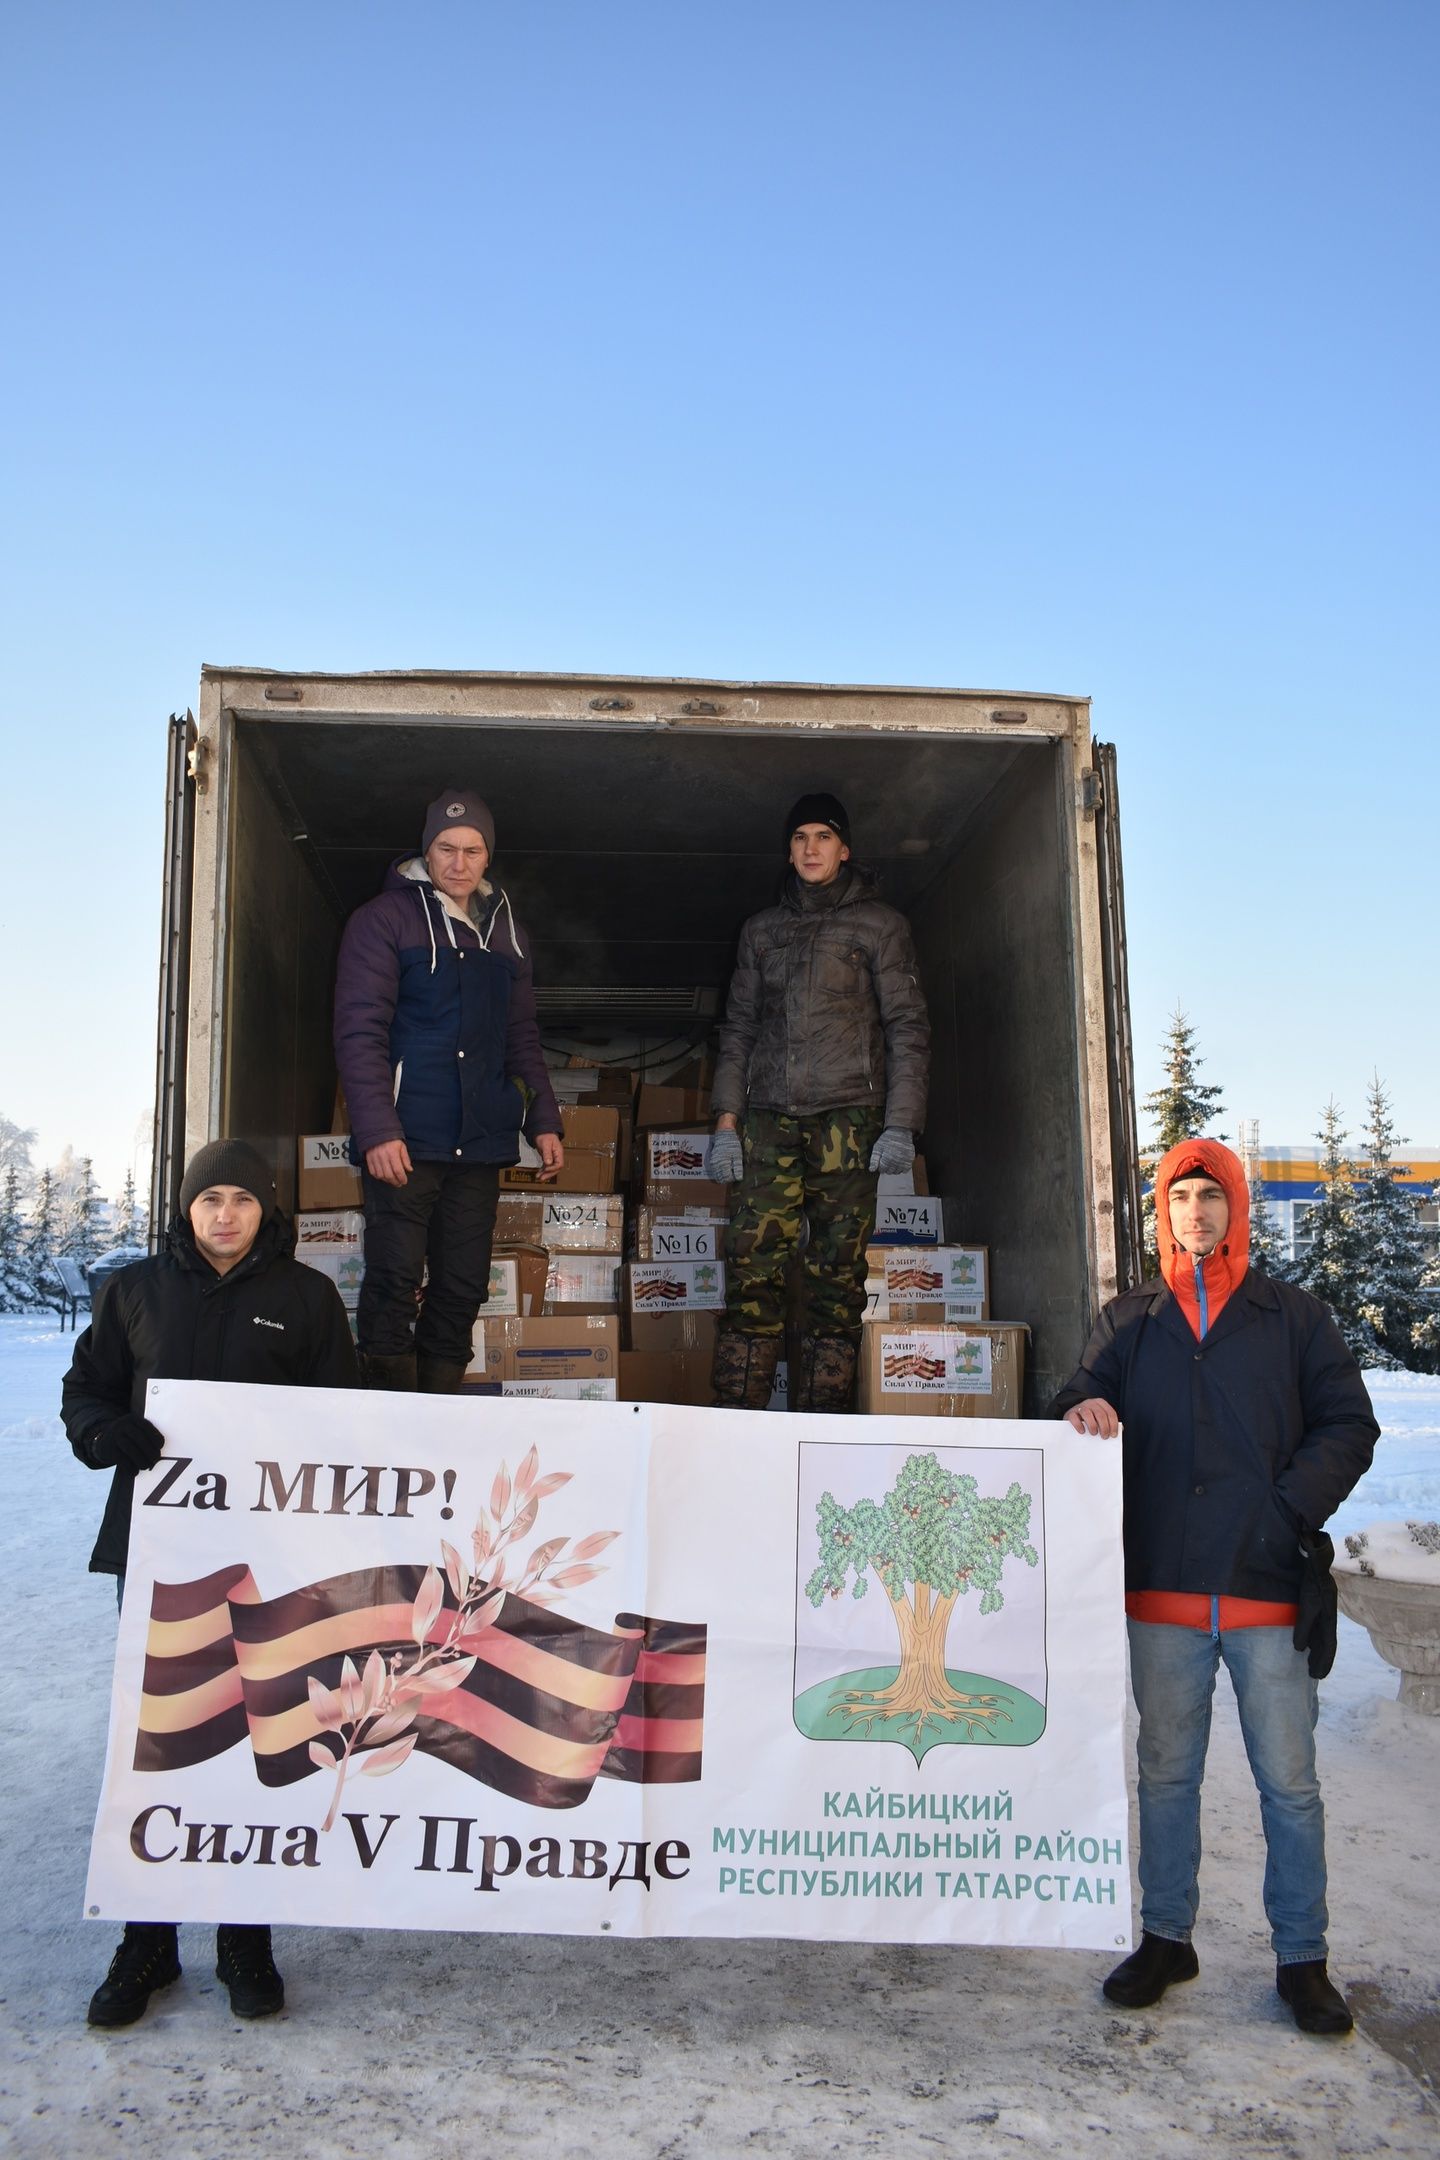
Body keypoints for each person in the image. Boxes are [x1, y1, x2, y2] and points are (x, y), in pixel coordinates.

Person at [1052, 1137, 1378, 2035]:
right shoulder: (1128, 1322)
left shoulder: (1297, 1319)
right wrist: (1080, 1408)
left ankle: (1303, 1958)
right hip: (1162, 1589)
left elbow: (1349, 1425)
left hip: (1267, 1588)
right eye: (1181, 1196)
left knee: (1290, 1784)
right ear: (1164, 1210)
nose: (1197, 1212)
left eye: (1213, 1196)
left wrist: (1283, 1514)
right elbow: (1077, 1402)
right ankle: (1167, 1937)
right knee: (1165, 1775)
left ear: (1238, 1206)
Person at [62, 1138, 359, 2028]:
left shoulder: (305, 1298)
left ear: (266, 1208)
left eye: (240, 1198)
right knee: (160, 1743)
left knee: (258, 1740)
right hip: (157, 1553)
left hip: (270, 1554)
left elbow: (345, 1418)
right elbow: (87, 1393)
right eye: (207, 1199)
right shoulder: (133, 1292)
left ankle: (244, 1937)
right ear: (186, 1209)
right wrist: (104, 1435)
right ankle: (146, 1942)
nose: (223, 1213)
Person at [333, 787, 564, 1392]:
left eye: (473, 850)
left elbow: (521, 1034)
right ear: (426, 850)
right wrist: (378, 1130)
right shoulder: (383, 920)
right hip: (406, 1141)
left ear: (488, 857)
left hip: (481, 1140)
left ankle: (439, 1414)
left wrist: (544, 1118)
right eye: (446, 848)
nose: (459, 863)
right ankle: (386, 1418)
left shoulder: (505, 933)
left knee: (463, 1286)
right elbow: (360, 1032)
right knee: (394, 1278)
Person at [706, 792, 930, 1412]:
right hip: (768, 1121)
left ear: (844, 849)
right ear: (789, 848)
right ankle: (737, 1427)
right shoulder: (762, 930)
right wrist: (727, 1124)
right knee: (753, 1273)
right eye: (800, 837)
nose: (811, 848)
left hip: (849, 1121)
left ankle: (821, 1429)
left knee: (837, 1280)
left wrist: (901, 1125)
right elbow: (739, 1029)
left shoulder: (880, 926)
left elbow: (908, 1026)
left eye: (823, 837)